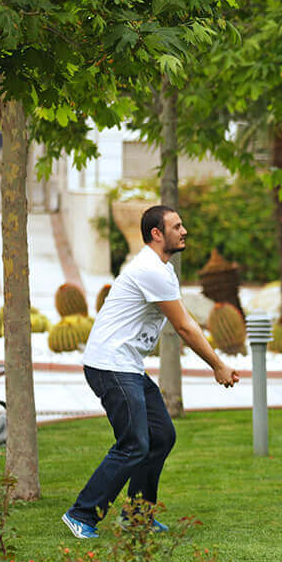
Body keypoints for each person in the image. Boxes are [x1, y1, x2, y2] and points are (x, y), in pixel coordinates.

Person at [62, 205, 239, 540]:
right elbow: (185, 327)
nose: (184, 231)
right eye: (177, 226)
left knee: (161, 436)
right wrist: (218, 365)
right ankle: (82, 513)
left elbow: (184, 322)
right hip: (110, 364)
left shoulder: (162, 269)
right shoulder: (151, 270)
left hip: (125, 364)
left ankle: (138, 515)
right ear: (157, 233)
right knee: (133, 443)